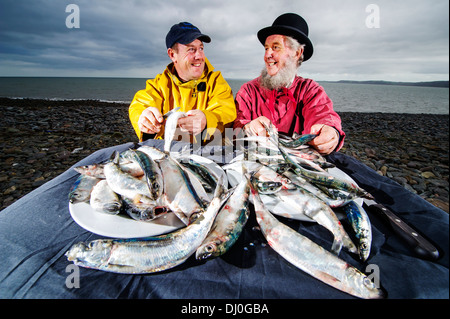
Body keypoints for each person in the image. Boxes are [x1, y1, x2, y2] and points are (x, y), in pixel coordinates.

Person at [233, 13, 343, 155]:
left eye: (276, 47)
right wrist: (247, 128)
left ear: (297, 52)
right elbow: (235, 125)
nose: (267, 55)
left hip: (299, 166)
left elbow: (323, 115)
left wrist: (330, 132)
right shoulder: (248, 91)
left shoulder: (310, 91)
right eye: (266, 48)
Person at [129, 22, 236, 143]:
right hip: (168, 156)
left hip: (207, 155)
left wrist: (206, 120)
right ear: (172, 54)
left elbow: (227, 112)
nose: (200, 56)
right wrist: (144, 119)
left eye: (201, 48)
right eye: (191, 49)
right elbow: (139, 105)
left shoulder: (216, 82)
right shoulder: (158, 85)